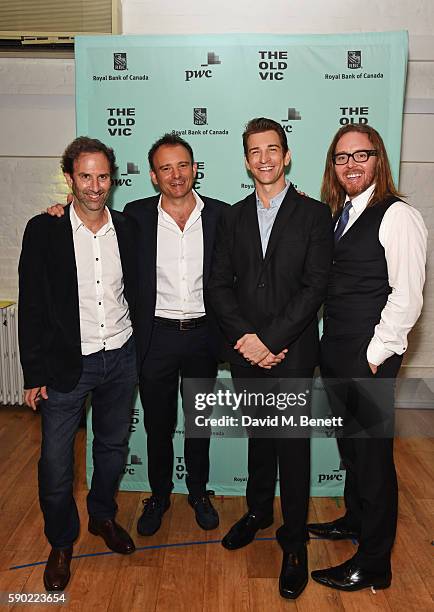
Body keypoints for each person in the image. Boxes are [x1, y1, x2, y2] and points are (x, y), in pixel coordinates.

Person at [207, 117, 333, 599]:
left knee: (293, 449)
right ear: (245, 159)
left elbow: (314, 286)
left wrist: (273, 340)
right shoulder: (232, 217)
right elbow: (218, 284)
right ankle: (258, 511)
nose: (264, 159)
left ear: (287, 155)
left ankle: (295, 540)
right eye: (255, 151)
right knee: (260, 439)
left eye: (272, 149)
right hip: (245, 355)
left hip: (293, 354)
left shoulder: (314, 215)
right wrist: (246, 339)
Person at [308, 124, 427, 591]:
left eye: (361, 155)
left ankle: (375, 561)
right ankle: (355, 521)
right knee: (353, 451)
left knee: (373, 459)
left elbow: (408, 296)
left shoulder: (397, 215)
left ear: (379, 160)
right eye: (341, 158)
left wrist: (375, 355)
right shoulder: (341, 213)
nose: (351, 165)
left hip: (368, 357)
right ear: (332, 167)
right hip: (337, 350)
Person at [18, 137, 138, 592]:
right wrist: (32, 375)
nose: (94, 186)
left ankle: (102, 518)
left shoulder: (129, 227)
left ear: (113, 179)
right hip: (67, 366)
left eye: (102, 176)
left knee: (110, 451)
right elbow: (30, 306)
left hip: (121, 358)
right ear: (69, 178)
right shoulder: (43, 229)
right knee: (54, 464)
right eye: (85, 176)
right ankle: (61, 542)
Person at [124, 134, 228, 535]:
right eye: (165, 168)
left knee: (199, 423)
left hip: (204, 336)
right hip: (156, 339)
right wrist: (60, 211)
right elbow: (89, 219)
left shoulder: (222, 215)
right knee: (158, 425)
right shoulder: (134, 216)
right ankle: (160, 495)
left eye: (182, 165)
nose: (176, 174)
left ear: (195, 168)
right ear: (153, 176)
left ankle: (199, 492)